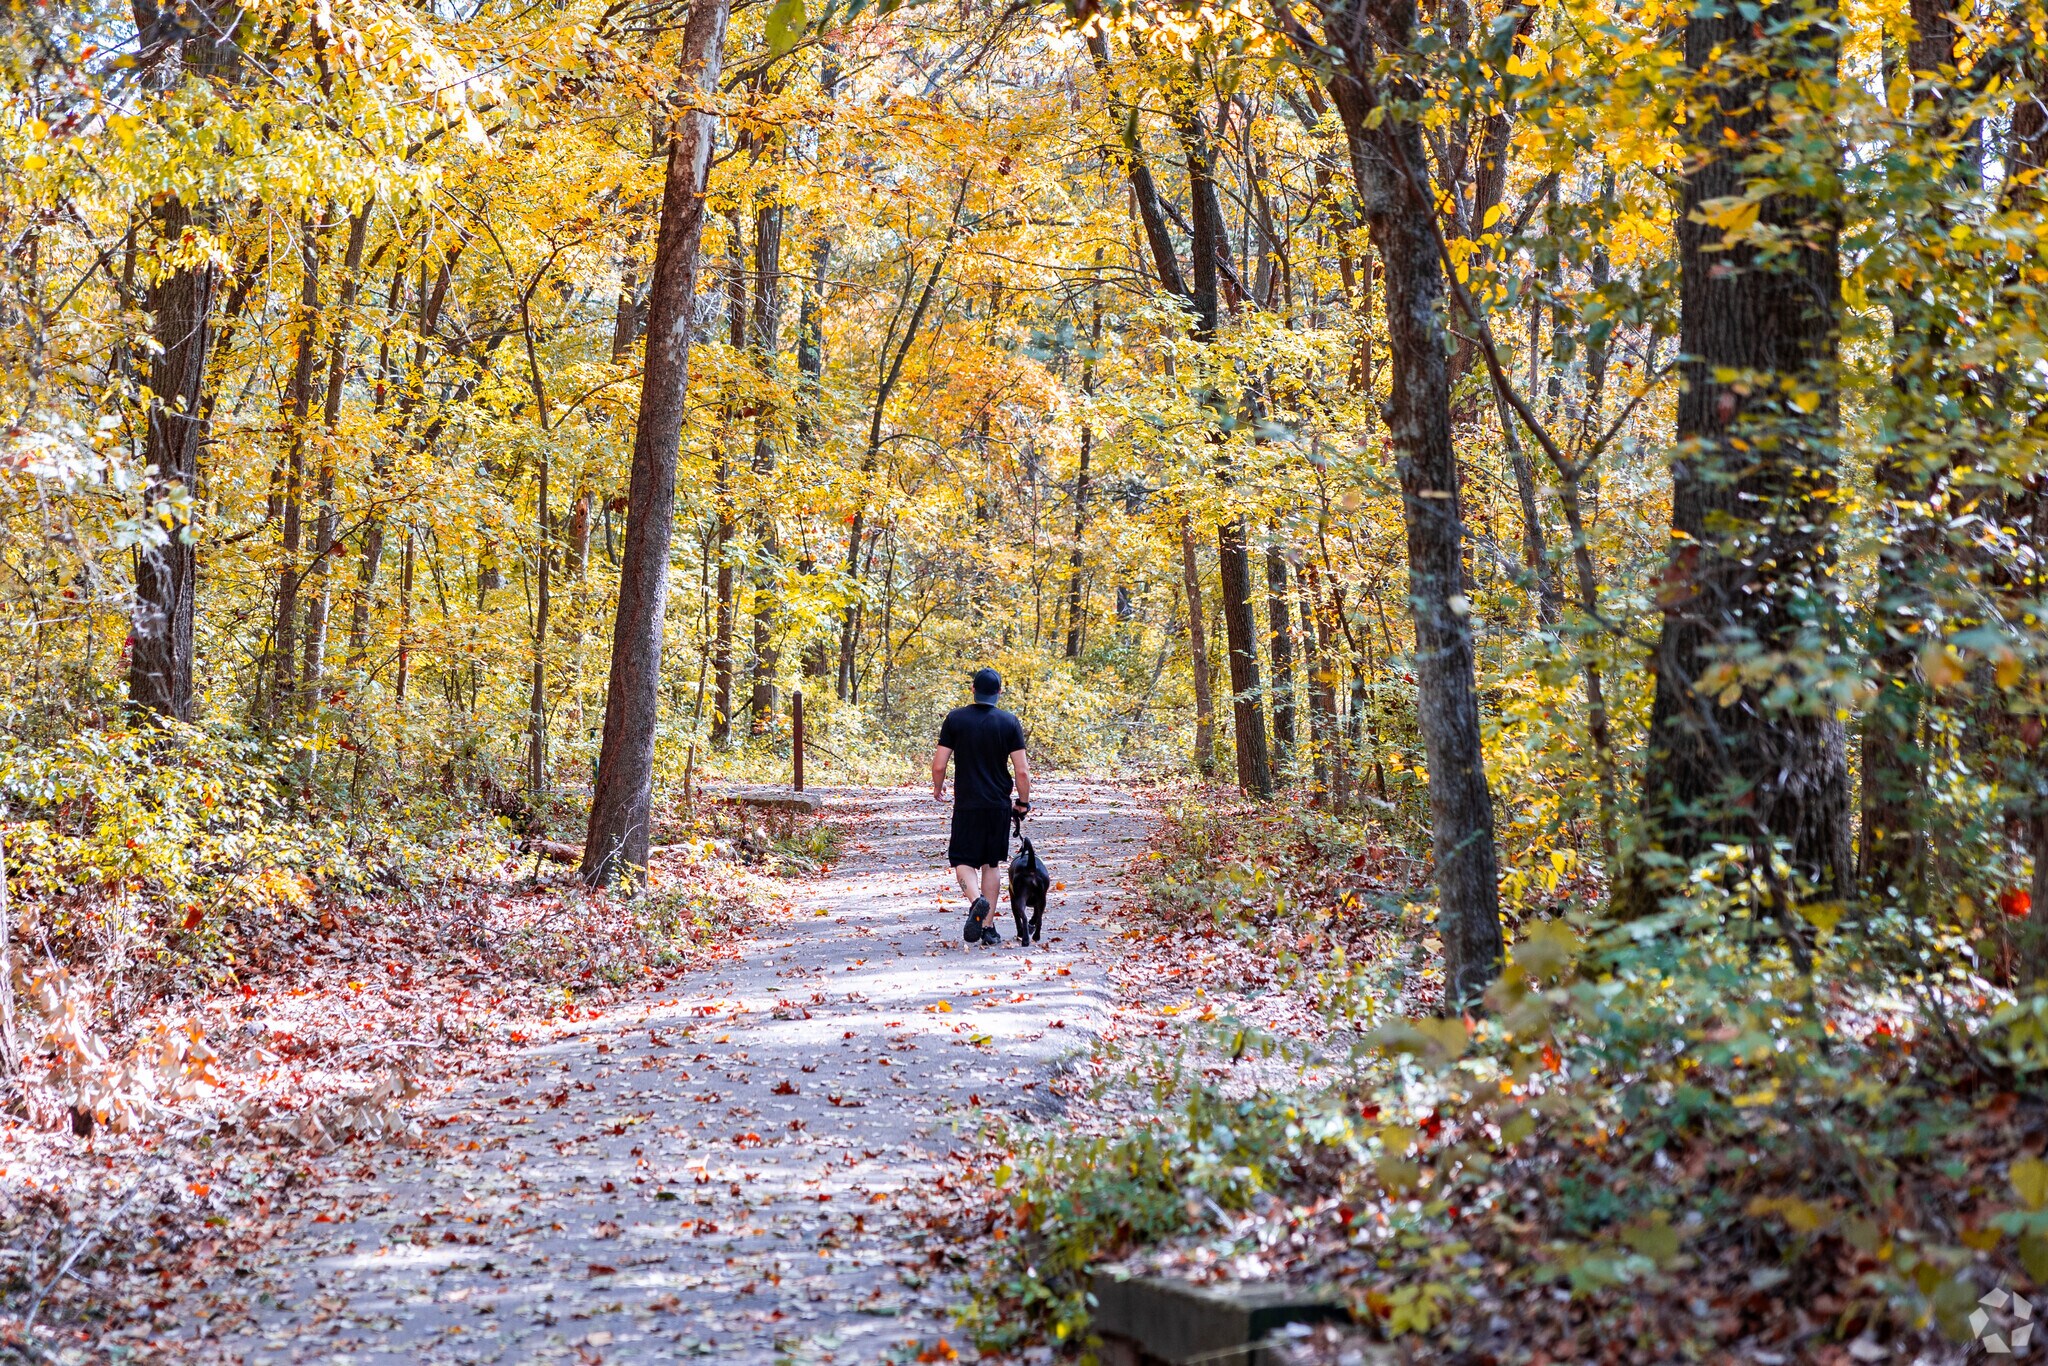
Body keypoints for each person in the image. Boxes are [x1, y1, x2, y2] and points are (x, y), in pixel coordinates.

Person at [931, 667, 1031, 945]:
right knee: (991, 864)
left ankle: (976, 901)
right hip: (998, 805)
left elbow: (939, 764)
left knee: (962, 860)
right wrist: (1023, 803)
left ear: (973, 690)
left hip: (967, 804)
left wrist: (938, 788)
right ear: (999, 693)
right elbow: (1022, 771)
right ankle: (987, 928)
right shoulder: (1009, 722)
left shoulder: (955, 719)